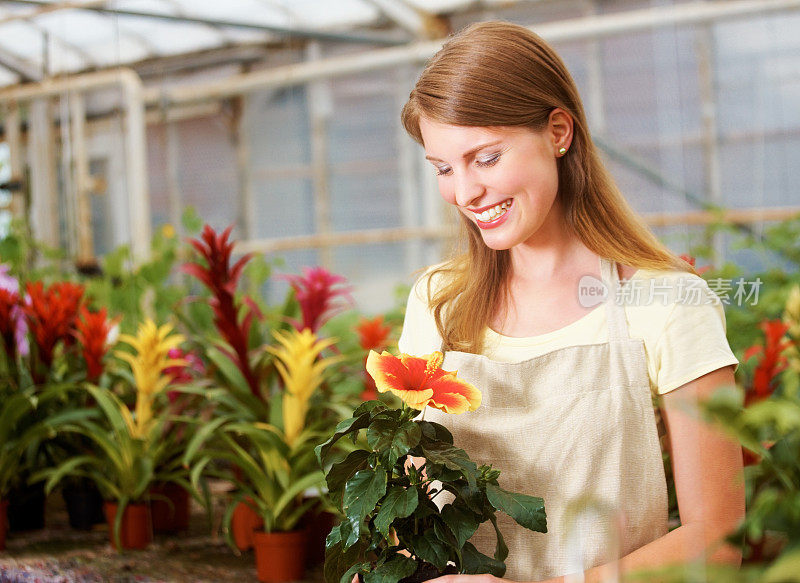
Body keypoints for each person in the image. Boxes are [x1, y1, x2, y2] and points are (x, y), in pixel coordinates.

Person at [396, 21, 744, 583]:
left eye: (485, 158)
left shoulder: (665, 299)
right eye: (443, 167)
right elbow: (406, 507)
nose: (465, 193)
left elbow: (719, 541)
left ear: (559, 131)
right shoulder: (437, 301)